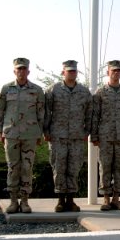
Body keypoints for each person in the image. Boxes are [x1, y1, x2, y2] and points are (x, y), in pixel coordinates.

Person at [0, 58, 45, 213]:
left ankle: (24, 202)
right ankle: (13, 201)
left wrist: (40, 133)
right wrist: (0, 131)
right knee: (12, 167)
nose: (21, 72)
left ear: (28, 71)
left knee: (27, 168)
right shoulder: (5, 89)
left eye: (24, 69)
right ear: (14, 71)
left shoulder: (37, 90)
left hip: (30, 135)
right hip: (11, 134)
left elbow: (41, 113)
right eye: (19, 69)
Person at [44, 60, 92, 212]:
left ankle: (71, 200)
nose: (71, 73)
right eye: (69, 71)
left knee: (74, 168)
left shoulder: (84, 92)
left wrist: (87, 132)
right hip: (57, 136)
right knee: (59, 167)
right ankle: (60, 201)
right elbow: (46, 112)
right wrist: (46, 131)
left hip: (77, 137)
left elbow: (89, 114)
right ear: (63, 72)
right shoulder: (53, 90)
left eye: (74, 71)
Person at [91, 60, 120, 211]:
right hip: (105, 136)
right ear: (107, 72)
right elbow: (95, 116)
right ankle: (106, 199)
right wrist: (94, 136)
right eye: (113, 70)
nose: (116, 73)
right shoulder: (100, 93)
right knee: (105, 166)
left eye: (118, 70)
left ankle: (116, 198)